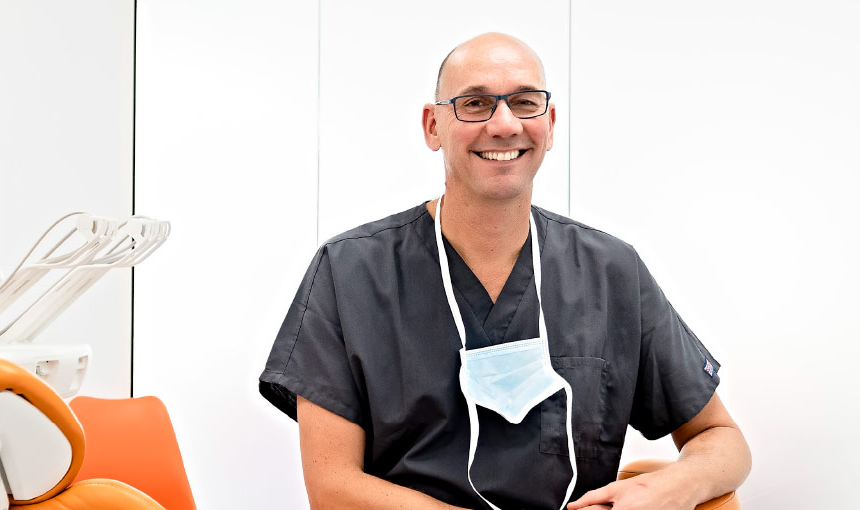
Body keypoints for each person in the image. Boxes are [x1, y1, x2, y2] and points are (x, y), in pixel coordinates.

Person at [257, 33, 750, 510]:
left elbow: (722, 440)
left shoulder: (611, 272)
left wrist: (670, 489)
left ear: (550, 123)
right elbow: (332, 488)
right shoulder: (351, 273)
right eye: (474, 104)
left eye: (524, 102)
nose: (503, 125)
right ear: (433, 126)